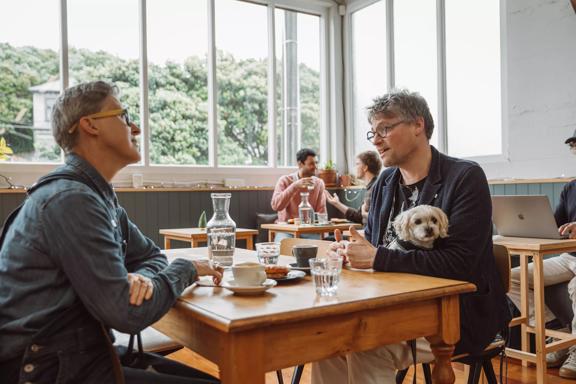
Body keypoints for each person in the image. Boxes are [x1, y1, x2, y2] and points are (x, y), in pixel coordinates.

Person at [0, 81, 222, 384]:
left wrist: (141, 275)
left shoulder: (99, 199)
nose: (136, 128)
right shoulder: (72, 200)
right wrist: (187, 268)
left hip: (82, 353)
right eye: (123, 115)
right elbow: (127, 315)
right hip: (44, 368)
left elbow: (151, 255)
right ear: (90, 125)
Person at [312, 90, 511, 384]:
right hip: (393, 305)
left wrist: (378, 257)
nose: (376, 140)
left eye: (385, 128)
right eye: (373, 132)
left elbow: (460, 264)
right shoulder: (384, 182)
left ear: (418, 125)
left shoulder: (465, 177)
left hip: (458, 312)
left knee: (366, 346)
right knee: (328, 340)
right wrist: (348, 252)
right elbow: (374, 245)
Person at [507, 129, 576, 379]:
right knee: (510, 276)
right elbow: (552, 224)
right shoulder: (571, 188)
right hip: (568, 257)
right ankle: (554, 328)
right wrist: (529, 228)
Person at [271, 148, 327, 241]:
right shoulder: (285, 180)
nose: (316, 166)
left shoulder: (319, 183)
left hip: (310, 231)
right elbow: (276, 206)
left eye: (316, 163)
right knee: (283, 248)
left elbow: (322, 213)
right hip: (287, 231)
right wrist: (295, 186)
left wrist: (323, 235)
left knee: (317, 249)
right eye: (311, 164)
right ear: (300, 164)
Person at [324, 150, 381, 224]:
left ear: (365, 168)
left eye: (357, 164)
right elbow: (360, 217)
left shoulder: (374, 188)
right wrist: (336, 203)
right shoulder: (372, 187)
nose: (355, 167)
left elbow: (363, 218)